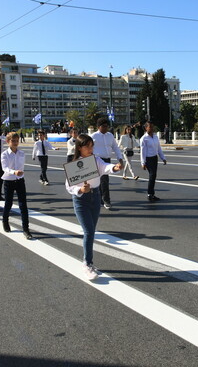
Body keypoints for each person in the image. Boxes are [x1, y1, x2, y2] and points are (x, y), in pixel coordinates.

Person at [65, 134, 121, 280]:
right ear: (79, 148)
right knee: (89, 231)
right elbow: (68, 186)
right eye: (87, 146)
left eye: (92, 146)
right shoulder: (74, 163)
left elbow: (105, 167)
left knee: (91, 231)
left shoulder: (95, 160)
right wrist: (80, 190)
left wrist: (114, 167)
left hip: (95, 197)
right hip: (81, 200)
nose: (90, 149)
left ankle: (88, 261)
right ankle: (87, 264)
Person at [1, 132, 33, 240]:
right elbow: (4, 168)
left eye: (16, 141)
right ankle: (5, 221)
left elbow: (21, 167)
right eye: (13, 141)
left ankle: (26, 229)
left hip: (19, 181)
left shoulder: (22, 153)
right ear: (8, 142)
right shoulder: (4, 154)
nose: (15, 143)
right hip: (8, 181)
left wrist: (18, 174)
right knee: (8, 203)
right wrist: (14, 172)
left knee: (23, 205)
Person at [91, 118, 123, 210]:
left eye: (107, 126)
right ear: (98, 127)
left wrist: (120, 159)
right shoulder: (94, 136)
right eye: (103, 126)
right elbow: (88, 148)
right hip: (97, 160)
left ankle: (103, 199)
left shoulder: (110, 136)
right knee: (100, 181)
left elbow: (115, 147)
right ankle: (105, 200)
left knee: (104, 181)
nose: (106, 128)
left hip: (107, 160)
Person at [140, 121, 167, 201]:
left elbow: (159, 148)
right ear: (146, 128)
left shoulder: (155, 137)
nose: (152, 128)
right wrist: (143, 162)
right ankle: (150, 194)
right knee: (152, 175)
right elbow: (143, 151)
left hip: (155, 158)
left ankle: (151, 194)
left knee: (153, 176)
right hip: (148, 159)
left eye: (152, 127)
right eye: (150, 127)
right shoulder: (144, 139)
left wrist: (163, 158)